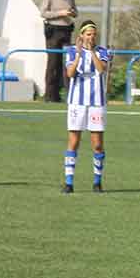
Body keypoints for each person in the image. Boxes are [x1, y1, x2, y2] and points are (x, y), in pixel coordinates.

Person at [62, 20, 111, 194]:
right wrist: (78, 54)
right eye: (88, 34)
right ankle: (69, 183)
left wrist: (91, 52)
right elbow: (70, 73)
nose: (91, 37)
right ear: (81, 35)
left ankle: (97, 182)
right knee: (73, 142)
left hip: (97, 103)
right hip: (77, 102)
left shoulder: (102, 51)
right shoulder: (71, 51)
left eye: (93, 34)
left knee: (97, 144)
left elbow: (101, 69)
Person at [40, 0, 78, 103]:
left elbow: (75, 13)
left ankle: (68, 95)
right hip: (53, 31)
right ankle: (50, 95)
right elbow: (43, 13)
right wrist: (60, 13)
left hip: (66, 31)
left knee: (68, 63)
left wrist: (72, 13)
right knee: (53, 63)